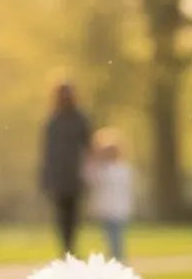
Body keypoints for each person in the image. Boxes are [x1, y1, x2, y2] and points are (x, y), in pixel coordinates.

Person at [39, 81, 91, 257]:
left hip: (76, 176)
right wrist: (45, 177)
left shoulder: (81, 119)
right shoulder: (52, 121)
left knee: (74, 216)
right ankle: (66, 248)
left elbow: (88, 146)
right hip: (58, 177)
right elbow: (47, 152)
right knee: (61, 216)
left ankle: (71, 247)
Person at [85, 127, 134, 262]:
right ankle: (115, 257)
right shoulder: (102, 169)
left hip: (118, 209)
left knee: (116, 236)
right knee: (110, 236)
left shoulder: (122, 169)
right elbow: (90, 178)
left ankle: (118, 258)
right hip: (107, 209)